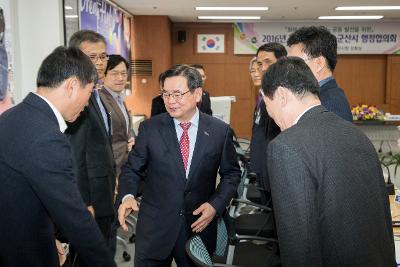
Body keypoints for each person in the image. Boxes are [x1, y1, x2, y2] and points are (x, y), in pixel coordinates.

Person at [262, 56, 396, 266]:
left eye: (270, 110)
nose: (276, 122)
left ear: (281, 96)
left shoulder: (285, 147)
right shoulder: (356, 134)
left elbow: (299, 247)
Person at [0, 46, 116, 267]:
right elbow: (75, 220)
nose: (87, 103)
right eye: (89, 92)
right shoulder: (47, 137)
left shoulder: (11, 117)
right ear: (72, 86)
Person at [118, 64, 241, 266]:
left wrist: (215, 205)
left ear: (197, 94)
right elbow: (132, 169)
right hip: (155, 228)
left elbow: (231, 174)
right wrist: (128, 195)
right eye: (165, 94)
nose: (170, 101)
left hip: (198, 227)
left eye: (177, 94)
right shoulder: (150, 128)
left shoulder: (219, 131)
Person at [66, 30, 116, 259]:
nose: (99, 63)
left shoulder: (98, 93)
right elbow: (75, 156)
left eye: (103, 56)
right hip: (91, 200)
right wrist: (83, 202)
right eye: (92, 57)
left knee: (105, 250)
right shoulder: (75, 97)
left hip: (104, 192)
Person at [287, 26, 353, 122]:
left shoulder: (330, 104)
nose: (288, 69)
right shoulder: (319, 97)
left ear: (319, 64)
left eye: (295, 63)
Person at [251, 43, 286, 202]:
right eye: (259, 63)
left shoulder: (282, 95)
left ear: (281, 62)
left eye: (268, 62)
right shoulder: (264, 93)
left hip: (274, 172)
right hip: (261, 168)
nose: (262, 67)